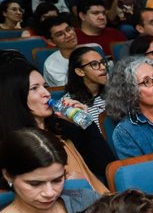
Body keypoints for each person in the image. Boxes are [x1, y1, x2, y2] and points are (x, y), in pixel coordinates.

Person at [0, 59, 112, 192]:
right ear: (15, 98)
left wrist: (86, 124)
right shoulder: (12, 145)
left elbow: (106, 166)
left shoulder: (63, 127)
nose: (46, 94)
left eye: (45, 86)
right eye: (34, 88)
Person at [64, 46, 110, 126]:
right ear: (80, 71)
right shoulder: (71, 104)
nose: (103, 67)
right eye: (94, 64)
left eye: (103, 62)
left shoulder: (116, 92)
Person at [40, 15, 81, 87]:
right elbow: (70, 88)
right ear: (51, 42)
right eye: (60, 34)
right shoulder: (51, 65)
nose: (68, 35)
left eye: (69, 29)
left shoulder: (91, 50)